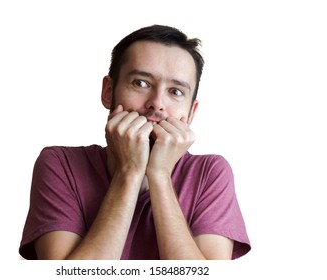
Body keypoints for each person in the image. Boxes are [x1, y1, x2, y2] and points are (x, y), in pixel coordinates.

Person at [19, 24, 251, 260]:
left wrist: (159, 174)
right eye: (141, 83)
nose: (156, 103)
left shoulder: (210, 173)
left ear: (191, 112)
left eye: (176, 91)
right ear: (108, 91)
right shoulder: (60, 164)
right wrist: (129, 171)